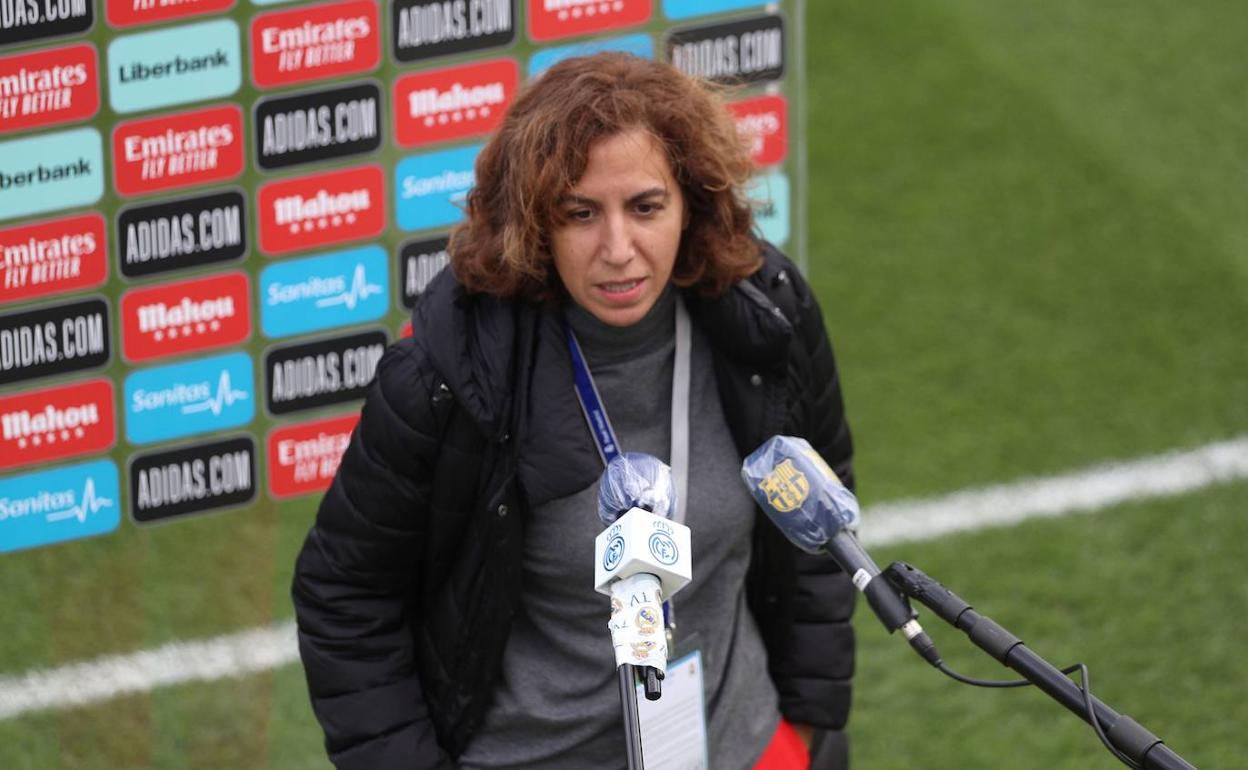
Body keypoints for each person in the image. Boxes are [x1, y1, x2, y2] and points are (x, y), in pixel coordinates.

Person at [292, 52, 856, 770]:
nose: (618, 250)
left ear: (692, 204)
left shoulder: (766, 316)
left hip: (742, 745)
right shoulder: (449, 375)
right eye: (579, 213)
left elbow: (819, 512)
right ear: (533, 222)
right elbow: (343, 592)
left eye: (646, 207)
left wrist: (803, 728)